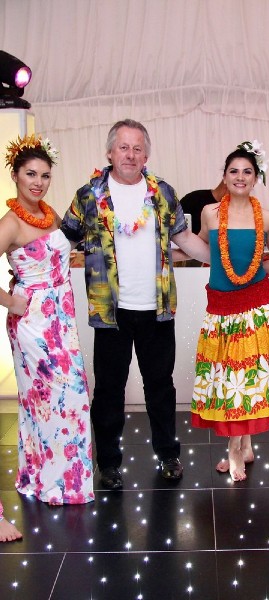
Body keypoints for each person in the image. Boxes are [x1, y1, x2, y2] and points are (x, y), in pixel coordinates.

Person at [61, 119, 210, 490]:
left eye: (137, 148)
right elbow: (63, 241)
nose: (130, 155)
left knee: (160, 386)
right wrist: (30, 268)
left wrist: (226, 264)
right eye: (123, 147)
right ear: (110, 152)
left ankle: (168, 454)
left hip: (157, 308)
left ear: (147, 154)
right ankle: (108, 463)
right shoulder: (89, 195)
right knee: (109, 389)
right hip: (110, 311)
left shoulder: (162, 193)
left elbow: (186, 239)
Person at [0, 135, 94, 505]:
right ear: (16, 176)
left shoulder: (49, 213)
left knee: (73, 396)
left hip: (62, 318)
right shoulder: (9, 224)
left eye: (45, 175)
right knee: (50, 399)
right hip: (33, 323)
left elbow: (59, 257)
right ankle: (55, 484)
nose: (38, 182)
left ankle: (57, 477)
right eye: (31, 174)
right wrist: (10, 300)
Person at [190, 141, 269, 481]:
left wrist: (259, 274)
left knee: (244, 380)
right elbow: (204, 247)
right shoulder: (209, 212)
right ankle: (244, 446)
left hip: (256, 308)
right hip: (220, 307)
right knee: (230, 378)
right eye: (234, 171)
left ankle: (235, 451)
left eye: (247, 171)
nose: (240, 177)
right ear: (225, 176)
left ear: (256, 176)